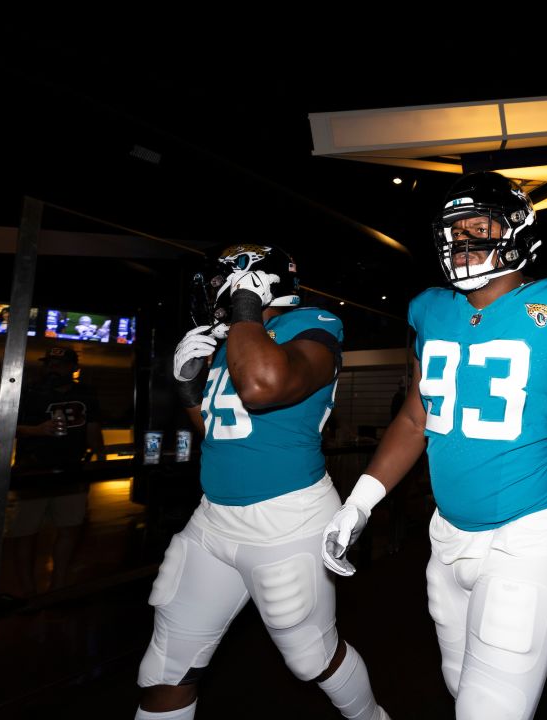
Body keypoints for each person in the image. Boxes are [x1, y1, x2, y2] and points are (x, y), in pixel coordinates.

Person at [321, 172, 547, 720]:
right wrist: (359, 501)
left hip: (528, 533)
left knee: (488, 709)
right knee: (459, 684)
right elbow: (416, 413)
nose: (464, 242)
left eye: (479, 227)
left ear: (519, 231)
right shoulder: (432, 309)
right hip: (447, 534)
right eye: (454, 233)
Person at [135, 244, 387, 720]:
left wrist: (247, 308)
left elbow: (263, 387)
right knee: (165, 669)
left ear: (257, 279)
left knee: (312, 657)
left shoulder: (312, 324)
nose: (216, 292)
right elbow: (224, 434)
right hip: (214, 519)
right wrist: (190, 393)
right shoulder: (235, 335)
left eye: (223, 280)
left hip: (287, 518)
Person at [0, 345, 105, 598]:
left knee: (69, 528)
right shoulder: (26, 391)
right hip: (32, 471)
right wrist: (35, 430)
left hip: (73, 471)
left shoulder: (86, 393)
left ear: (74, 368)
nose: (53, 368)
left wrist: (100, 462)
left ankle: (58, 587)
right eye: (49, 363)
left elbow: (94, 430)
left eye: (60, 365)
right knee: (25, 532)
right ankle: (28, 593)